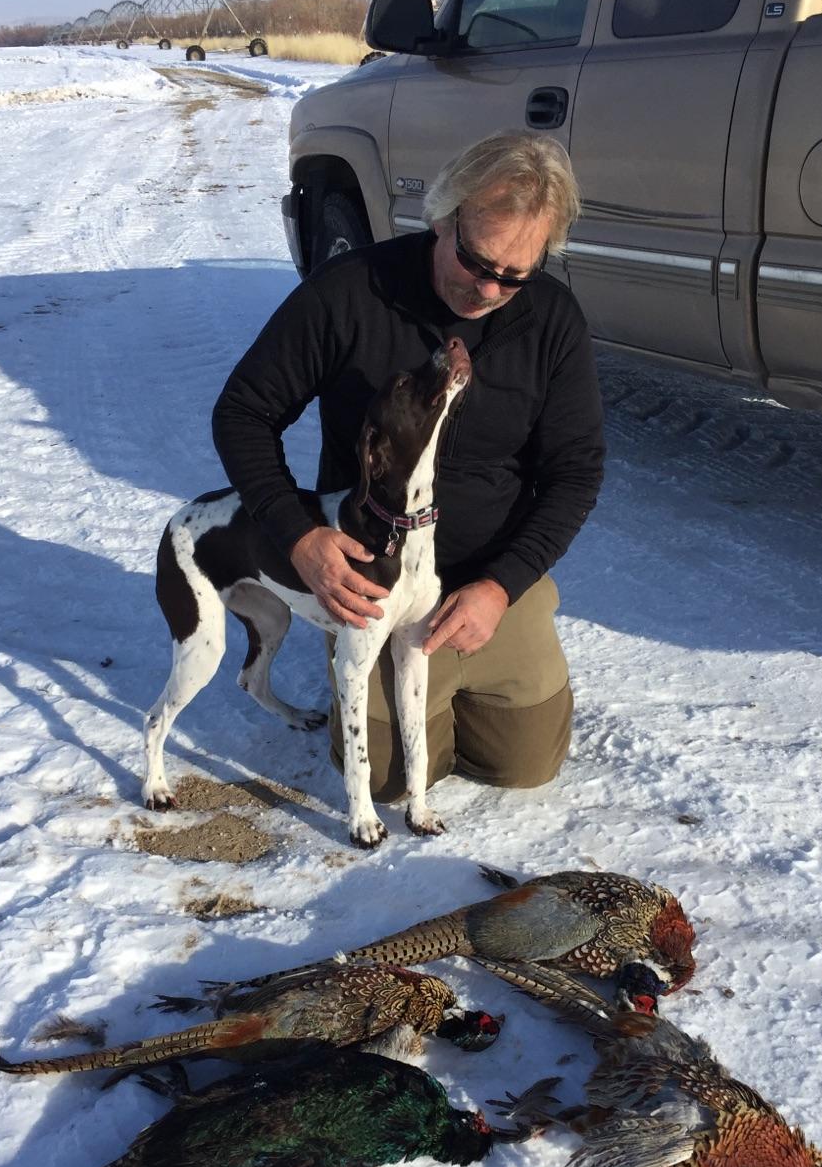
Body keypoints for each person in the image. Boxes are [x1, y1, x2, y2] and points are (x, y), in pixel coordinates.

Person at [211, 130, 604, 803]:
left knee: (525, 763)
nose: (489, 289)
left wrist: (503, 586)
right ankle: (381, 673)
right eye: (476, 262)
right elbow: (243, 412)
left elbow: (577, 470)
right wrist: (298, 536)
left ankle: (471, 671)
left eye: (515, 275)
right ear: (443, 217)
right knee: (387, 781)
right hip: (375, 576)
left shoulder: (551, 320)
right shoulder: (350, 292)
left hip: (486, 572)